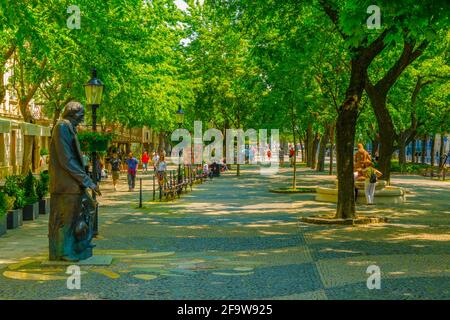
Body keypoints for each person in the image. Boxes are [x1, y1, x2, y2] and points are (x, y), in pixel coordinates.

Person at [48, 101, 100, 262]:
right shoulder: (62, 127)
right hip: (66, 185)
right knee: (67, 220)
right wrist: (88, 181)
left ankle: (80, 243)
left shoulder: (69, 127)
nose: (82, 119)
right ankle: (64, 251)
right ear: (72, 114)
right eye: (80, 115)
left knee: (89, 206)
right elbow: (67, 159)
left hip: (72, 183)